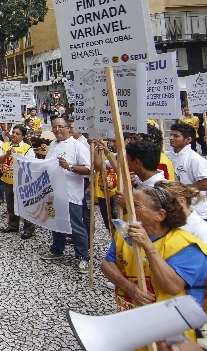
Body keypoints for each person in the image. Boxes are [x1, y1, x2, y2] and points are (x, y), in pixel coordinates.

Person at [101, 184, 207, 344]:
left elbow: (172, 287)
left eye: (136, 205)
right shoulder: (126, 233)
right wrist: (129, 287)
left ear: (160, 215)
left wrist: (148, 246)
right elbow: (107, 264)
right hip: (132, 326)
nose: (129, 208)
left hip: (172, 337)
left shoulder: (187, 246)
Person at [41, 118, 91, 274]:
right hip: (54, 193)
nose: (57, 130)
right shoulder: (53, 145)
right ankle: (57, 249)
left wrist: (69, 166)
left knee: (76, 225)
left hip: (71, 194)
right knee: (56, 223)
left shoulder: (78, 146)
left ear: (69, 128)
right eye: (54, 127)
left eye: (60, 127)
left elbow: (89, 169)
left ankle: (83, 257)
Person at [0, 125, 36, 239]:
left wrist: (17, 156)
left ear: (23, 136)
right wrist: (7, 154)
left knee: (26, 204)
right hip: (8, 179)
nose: (14, 135)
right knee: (10, 204)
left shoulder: (27, 148)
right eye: (13, 132)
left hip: (23, 181)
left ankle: (28, 228)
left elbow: (31, 163)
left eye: (17, 133)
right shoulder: (5, 145)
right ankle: (13, 225)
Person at [167, 123, 207, 220]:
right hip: (176, 209)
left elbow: (205, 184)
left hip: (195, 211)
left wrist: (181, 188)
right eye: (171, 135)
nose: (171, 138)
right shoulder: (168, 156)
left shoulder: (195, 159)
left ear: (188, 140)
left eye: (176, 136)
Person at [156, 180, 207, 244]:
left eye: (164, 201)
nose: (159, 206)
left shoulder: (201, 230)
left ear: (182, 201)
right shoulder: (163, 222)